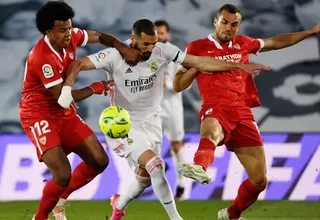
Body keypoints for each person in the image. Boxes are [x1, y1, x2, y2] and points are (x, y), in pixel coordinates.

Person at [57, 19, 270, 220]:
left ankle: (118, 205)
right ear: (133, 38)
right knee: (156, 166)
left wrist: (238, 66)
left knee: (145, 178)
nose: (150, 49)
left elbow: (199, 62)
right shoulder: (113, 56)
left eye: (153, 43)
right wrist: (67, 91)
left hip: (153, 122)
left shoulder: (163, 51)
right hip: (125, 125)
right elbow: (77, 64)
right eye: (145, 44)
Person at [173, 4, 320, 220]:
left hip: (242, 113)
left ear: (238, 26)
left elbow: (276, 42)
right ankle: (199, 166)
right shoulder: (197, 47)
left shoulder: (243, 44)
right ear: (216, 22)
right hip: (215, 105)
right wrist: (198, 66)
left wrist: (311, 32)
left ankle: (231, 214)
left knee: (259, 180)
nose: (228, 28)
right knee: (211, 133)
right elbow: (177, 84)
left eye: (234, 24)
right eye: (224, 22)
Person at [18, 2, 140, 220]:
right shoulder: (42, 57)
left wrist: (123, 48)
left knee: (99, 161)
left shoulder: (72, 36)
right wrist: (95, 88)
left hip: (63, 113)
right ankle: (40, 217)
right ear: (48, 32)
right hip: (38, 113)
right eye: (62, 30)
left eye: (69, 27)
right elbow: (64, 99)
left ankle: (60, 203)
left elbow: (101, 37)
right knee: (62, 174)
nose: (68, 34)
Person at [154, 20, 186, 200]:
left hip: (173, 107)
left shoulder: (177, 55)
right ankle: (160, 178)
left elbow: (185, 84)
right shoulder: (146, 54)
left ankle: (181, 184)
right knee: (152, 146)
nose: (159, 36)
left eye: (162, 33)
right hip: (154, 108)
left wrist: (166, 84)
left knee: (176, 146)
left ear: (168, 35)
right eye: (156, 33)